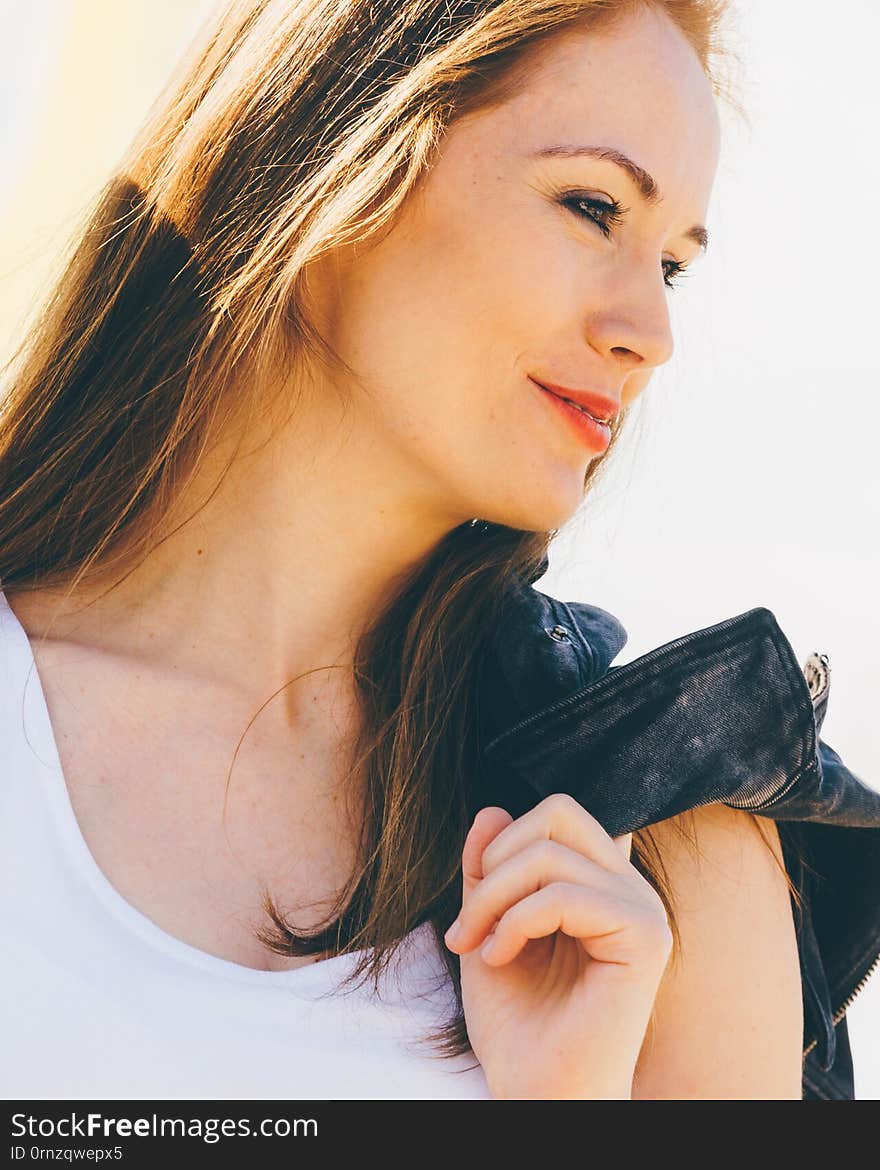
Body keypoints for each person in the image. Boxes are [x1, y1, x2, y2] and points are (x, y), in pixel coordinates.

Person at [0, 0, 805, 1099]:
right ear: (336, 157)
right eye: (590, 206)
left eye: (669, 266)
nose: (650, 336)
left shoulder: (659, 849)